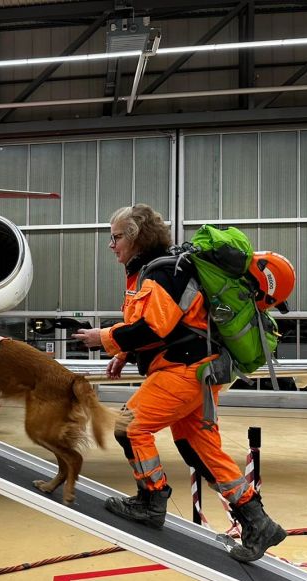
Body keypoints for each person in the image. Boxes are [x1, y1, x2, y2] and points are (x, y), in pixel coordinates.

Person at [72, 204, 286, 562]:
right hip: (202, 373)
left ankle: (151, 500)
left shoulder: (160, 272)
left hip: (183, 371)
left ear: (136, 237)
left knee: (130, 428)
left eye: (116, 236)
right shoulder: (168, 268)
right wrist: (124, 354)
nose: (111, 244)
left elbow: (156, 327)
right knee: (201, 450)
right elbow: (168, 324)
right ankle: (258, 522)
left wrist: (105, 337)